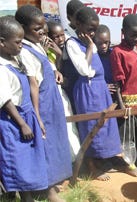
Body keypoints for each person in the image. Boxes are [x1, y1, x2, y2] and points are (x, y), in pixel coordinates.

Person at [15, 5, 72, 201]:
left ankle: (54, 182)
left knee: (56, 142)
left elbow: (45, 67)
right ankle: (48, 190)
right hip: (42, 104)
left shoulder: (36, 44)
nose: (42, 32)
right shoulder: (23, 50)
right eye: (37, 29)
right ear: (22, 27)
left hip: (52, 99)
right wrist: (37, 116)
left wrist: (54, 70)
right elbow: (32, 85)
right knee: (45, 146)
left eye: (43, 28)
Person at [63, 7, 122, 181]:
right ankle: (91, 167)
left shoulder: (90, 40)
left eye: (95, 29)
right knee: (90, 127)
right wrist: (89, 46)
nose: (93, 33)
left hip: (99, 88)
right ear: (78, 24)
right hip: (87, 90)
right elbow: (84, 69)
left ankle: (104, 160)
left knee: (105, 126)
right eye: (90, 29)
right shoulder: (73, 43)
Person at [0, 15, 48, 202]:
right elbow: (5, 99)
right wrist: (22, 124)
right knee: (17, 161)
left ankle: (29, 197)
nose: (21, 45)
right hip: (13, 120)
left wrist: (34, 119)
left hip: (26, 115)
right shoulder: (1, 67)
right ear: (2, 43)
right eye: (18, 42)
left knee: (28, 160)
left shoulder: (14, 60)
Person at [110, 14, 137, 177]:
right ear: (123, 32)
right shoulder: (118, 52)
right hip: (126, 101)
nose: (136, 39)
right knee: (127, 135)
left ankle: (135, 160)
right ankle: (129, 165)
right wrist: (122, 105)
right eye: (133, 35)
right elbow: (117, 82)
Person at [47, 20, 81, 162]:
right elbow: (58, 74)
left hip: (75, 90)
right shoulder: (49, 52)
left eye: (62, 35)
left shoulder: (71, 46)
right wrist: (59, 55)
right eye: (56, 36)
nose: (60, 39)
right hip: (64, 92)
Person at [93, 24, 117, 100]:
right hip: (99, 96)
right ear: (94, 42)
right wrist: (103, 86)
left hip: (116, 95)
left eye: (106, 42)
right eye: (100, 43)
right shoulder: (92, 57)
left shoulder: (114, 54)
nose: (104, 46)